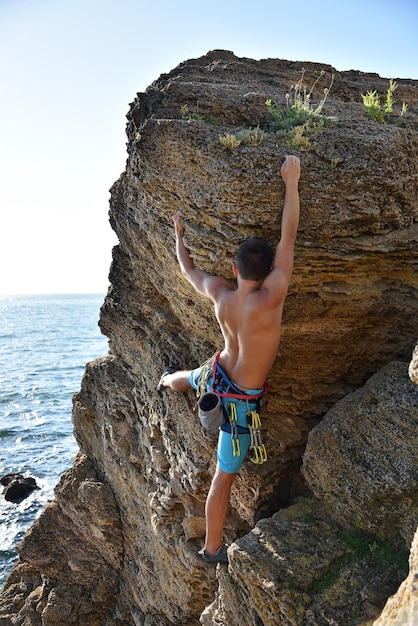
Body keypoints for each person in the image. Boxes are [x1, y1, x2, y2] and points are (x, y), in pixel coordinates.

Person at [157, 154, 301, 564]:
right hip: (239, 402)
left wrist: (179, 236)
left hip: (218, 371)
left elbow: (188, 270)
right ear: (268, 269)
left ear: (233, 268)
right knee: (224, 477)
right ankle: (211, 549)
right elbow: (288, 236)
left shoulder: (221, 293)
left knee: (193, 377)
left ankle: (167, 380)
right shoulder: (271, 296)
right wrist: (290, 183)